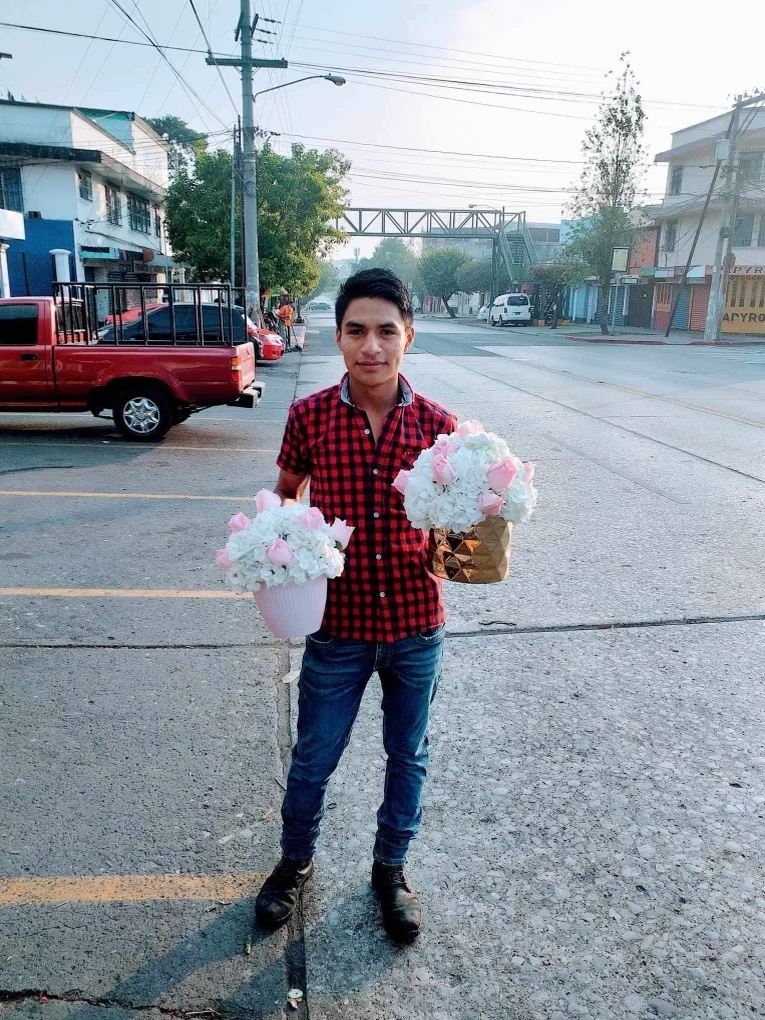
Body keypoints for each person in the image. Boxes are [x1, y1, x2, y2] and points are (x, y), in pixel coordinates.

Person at [255, 268, 457, 943]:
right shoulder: (309, 416)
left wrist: (464, 541)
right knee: (313, 755)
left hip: (413, 623)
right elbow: (285, 495)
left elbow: (459, 520)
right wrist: (284, 551)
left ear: (408, 336)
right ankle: (294, 863)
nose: (370, 345)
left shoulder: (439, 427)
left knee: (409, 755)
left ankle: (390, 871)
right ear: (337, 335)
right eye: (355, 330)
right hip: (335, 626)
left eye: (385, 331)